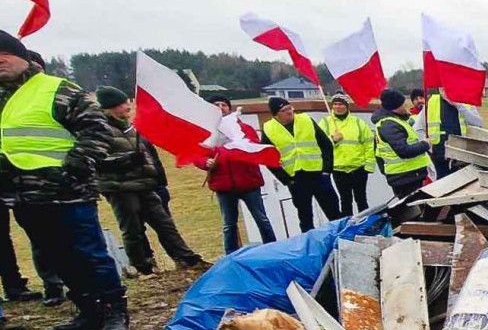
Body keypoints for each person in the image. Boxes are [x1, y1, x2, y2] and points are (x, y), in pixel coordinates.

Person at [0, 31, 129, 330]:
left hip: (68, 192)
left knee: (89, 254)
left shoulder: (56, 89)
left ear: (23, 57)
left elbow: (97, 129)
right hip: (23, 196)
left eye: (4, 54)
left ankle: (114, 311)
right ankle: (87, 310)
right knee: (57, 258)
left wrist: (75, 167)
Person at [94, 86, 205, 274]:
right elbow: (98, 160)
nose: (128, 106)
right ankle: (143, 266)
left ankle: (186, 258)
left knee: (164, 223)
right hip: (120, 187)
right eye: (122, 104)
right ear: (109, 107)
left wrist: (159, 178)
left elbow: (149, 154)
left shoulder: (133, 128)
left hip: (146, 184)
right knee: (133, 229)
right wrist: (126, 161)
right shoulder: (98, 129)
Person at [196, 96, 277, 254]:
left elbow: (254, 145)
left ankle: (272, 248)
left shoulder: (244, 128)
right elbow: (198, 154)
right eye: (216, 105)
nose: (221, 107)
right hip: (224, 185)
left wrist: (240, 146)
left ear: (229, 108)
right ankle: (231, 254)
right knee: (229, 224)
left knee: (261, 218)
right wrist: (205, 162)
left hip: (248, 182)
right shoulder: (206, 132)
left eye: (224, 105)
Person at [260, 97, 342, 232]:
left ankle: (342, 238)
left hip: (318, 173)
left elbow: (326, 144)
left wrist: (327, 170)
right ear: (276, 114)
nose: (289, 112)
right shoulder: (269, 128)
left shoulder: (305, 120)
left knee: (333, 211)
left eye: (290, 108)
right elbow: (268, 158)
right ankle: (309, 245)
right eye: (284, 110)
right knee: (305, 217)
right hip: (296, 178)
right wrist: (287, 180)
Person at [372, 89, 433, 199]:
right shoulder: (389, 125)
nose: (405, 105)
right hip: (405, 177)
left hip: (410, 175)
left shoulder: (397, 121)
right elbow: (404, 151)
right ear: (396, 106)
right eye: (403, 103)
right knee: (413, 211)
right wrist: (425, 144)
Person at [319, 93, 373, 216]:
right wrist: (333, 139)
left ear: (347, 106)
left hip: (358, 168)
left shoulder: (358, 122)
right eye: (335, 104)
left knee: (361, 200)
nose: (338, 107)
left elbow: (368, 144)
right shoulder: (325, 123)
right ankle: (347, 228)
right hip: (339, 169)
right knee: (345, 201)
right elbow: (320, 144)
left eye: (341, 104)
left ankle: (367, 226)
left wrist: (368, 166)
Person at [414, 89, 481, 178]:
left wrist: (458, 105)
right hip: (440, 160)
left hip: (463, 159)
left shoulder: (466, 101)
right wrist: (428, 147)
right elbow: (418, 129)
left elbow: (478, 123)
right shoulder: (432, 101)